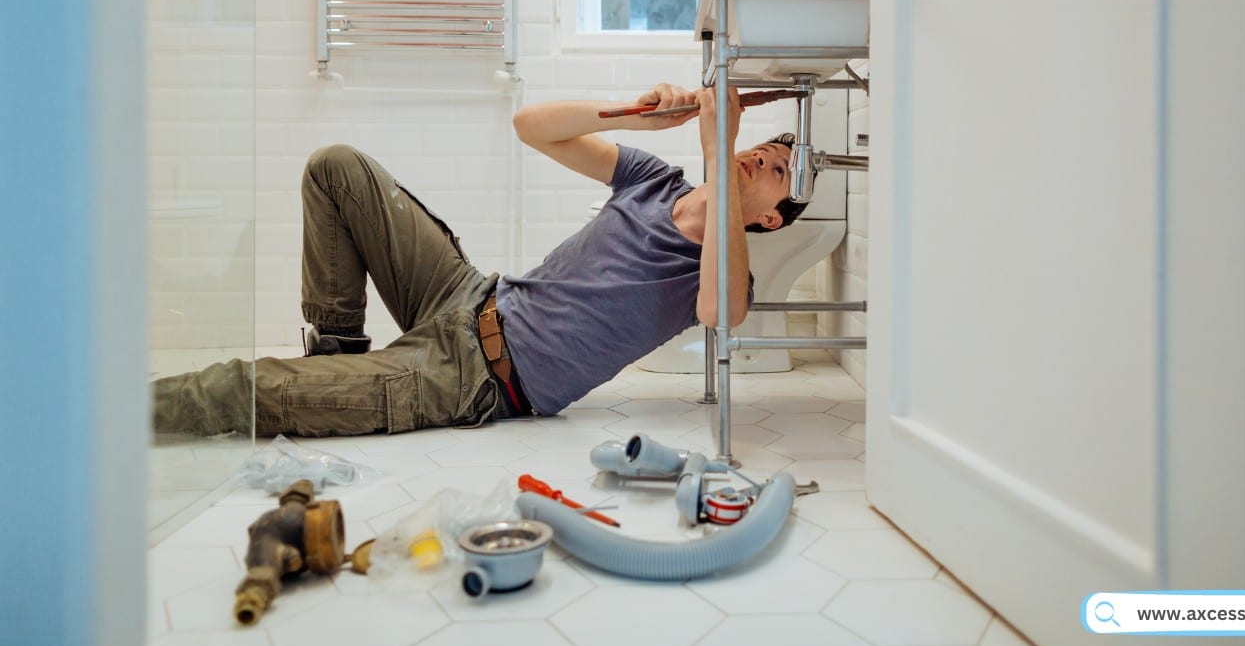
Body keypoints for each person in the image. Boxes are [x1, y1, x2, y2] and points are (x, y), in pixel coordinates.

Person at [152, 83, 806, 437]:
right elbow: (530, 125)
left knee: (241, 388)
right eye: (766, 150)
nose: (762, 158)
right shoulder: (652, 179)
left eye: (777, 169)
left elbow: (722, 311)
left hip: (471, 379)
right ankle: (338, 356)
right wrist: (632, 116)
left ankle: (109, 417)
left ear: (770, 217)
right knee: (336, 168)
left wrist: (720, 157)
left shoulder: (726, 266)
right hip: (462, 295)